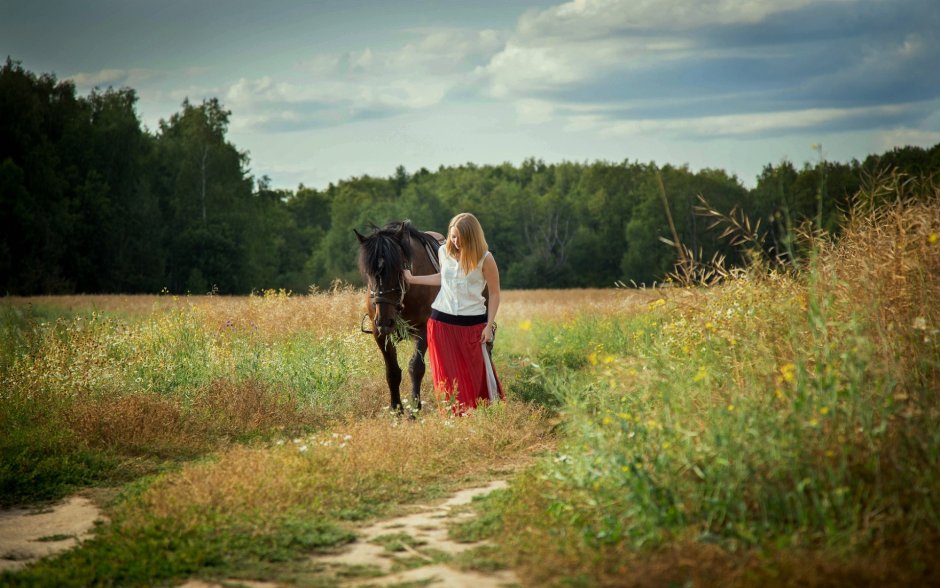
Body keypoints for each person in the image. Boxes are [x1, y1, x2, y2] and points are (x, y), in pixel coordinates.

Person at [404, 212, 504, 414]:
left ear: (473, 237)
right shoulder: (443, 252)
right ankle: (453, 417)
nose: (456, 242)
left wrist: (488, 325)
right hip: (441, 324)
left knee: (475, 376)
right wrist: (412, 279)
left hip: (473, 325)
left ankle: (476, 416)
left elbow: (494, 293)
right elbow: (443, 278)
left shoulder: (485, 258)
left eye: (461, 237)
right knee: (448, 378)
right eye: (453, 236)